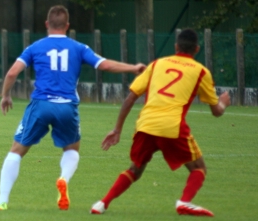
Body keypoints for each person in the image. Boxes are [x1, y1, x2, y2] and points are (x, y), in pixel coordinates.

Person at [0, 5, 145, 211]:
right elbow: (104, 65)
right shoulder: (79, 48)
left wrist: (6, 95)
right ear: (68, 26)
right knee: (71, 149)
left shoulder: (36, 47)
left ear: (47, 24)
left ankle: (2, 200)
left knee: (16, 151)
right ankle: (63, 178)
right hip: (67, 107)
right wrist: (133, 68)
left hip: (41, 105)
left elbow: (11, 73)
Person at [90, 28, 231, 217]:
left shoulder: (157, 64)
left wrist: (117, 129)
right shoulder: (201, 71)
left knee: (135, 169)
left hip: (145, 125)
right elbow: (216, 111)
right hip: (172, 126)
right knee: (199, 168)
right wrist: (223, 103)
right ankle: (184, 202)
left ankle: (101, 204)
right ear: (197, 49)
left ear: (175, 46)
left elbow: (130, 98)